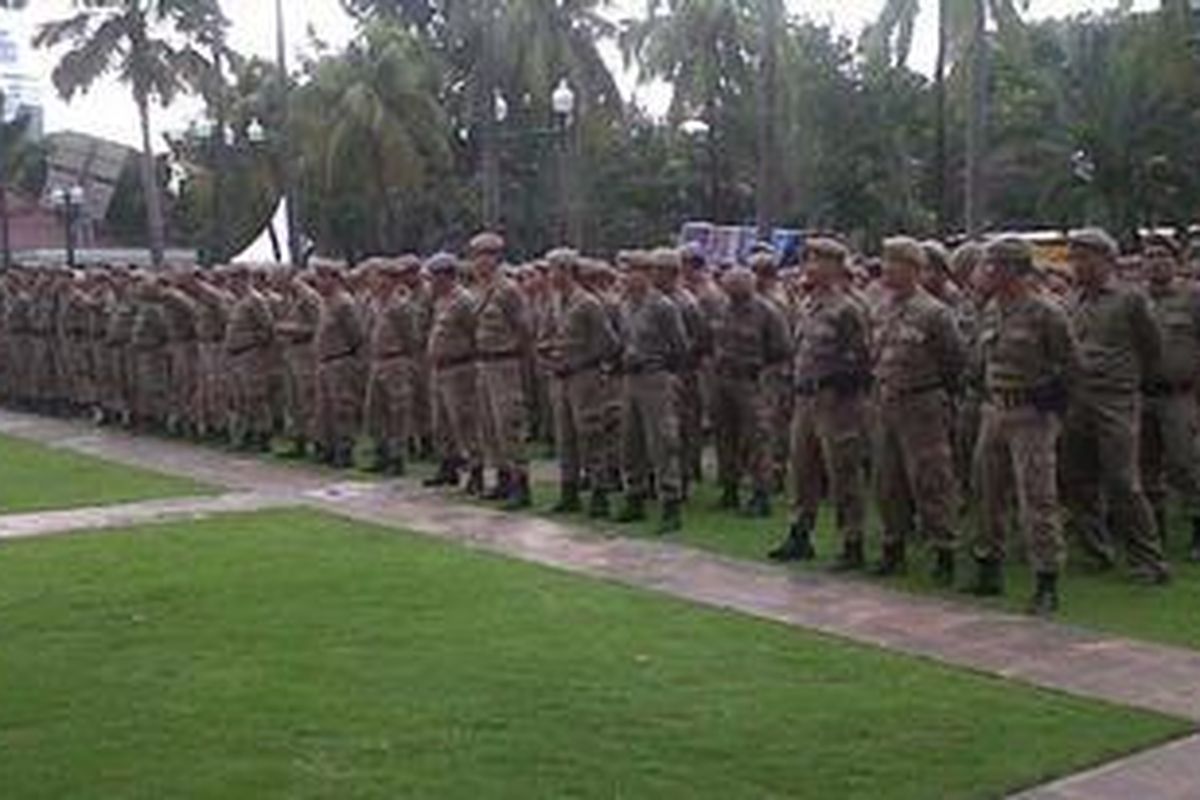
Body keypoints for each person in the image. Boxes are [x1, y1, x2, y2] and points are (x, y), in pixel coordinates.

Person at [967, 237, 1077, 614]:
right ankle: (988, 567)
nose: (985, 273)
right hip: (995, 409)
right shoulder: (992, 310)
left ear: (1013, 269)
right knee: (987, 492)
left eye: (992, 266)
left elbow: (1072, 366)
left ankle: (1046, 579)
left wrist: (1053, 403)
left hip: (1032, 415)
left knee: (1037, 498)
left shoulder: (1046, 313)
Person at [1061, 228, 1170, 584]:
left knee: (1123, 480)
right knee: (1075, 478)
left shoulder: (1130, 299)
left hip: (1116, 398)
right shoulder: (1072, 301)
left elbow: (1152, 347)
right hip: (1078, 398)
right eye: (1074, 257)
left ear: (1106, 259)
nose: (1077, 264)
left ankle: (1149, 560)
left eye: (1084, 257)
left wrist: (1131, 381)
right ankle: (1097, 551)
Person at [769, 239, 871, 566]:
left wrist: (840, 382)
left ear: (835, 266)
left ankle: (852, 540)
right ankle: (800, 533)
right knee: (801, 470)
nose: (809, 266)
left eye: (818, 260)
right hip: (805, 399)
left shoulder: (848, 309)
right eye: (808, 259)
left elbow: (864, 359)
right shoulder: (808, 304)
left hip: (837, 403)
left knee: (842, 473)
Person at [872, 237, 966, 582]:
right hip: (887, 401)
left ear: (912, 268)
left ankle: (944, 550)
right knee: (887, 480)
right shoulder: (881, 307)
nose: (885, 269)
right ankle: (893, 546)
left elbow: (955, 361)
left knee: (931, 479)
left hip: (923, 404)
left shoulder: (934, 313)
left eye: (893, 262)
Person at [616, 250, 689, 534]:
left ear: (645, 274)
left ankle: (670, 502)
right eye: (624, 272)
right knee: (630, 440)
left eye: (631, 272)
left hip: (655, 377)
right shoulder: (625, 305)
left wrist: (665, 371)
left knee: (662, 441)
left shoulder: (663, 306)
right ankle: (635, 496)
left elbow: (680, 346)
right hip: (630, 379)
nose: (625, 277)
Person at [545, 248, 622, 516]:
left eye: (555, 269)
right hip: (561, 376)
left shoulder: (588, 303)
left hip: (584, 377)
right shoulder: (555, 301)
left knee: (589, 434)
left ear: (568, 271)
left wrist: (584, 360)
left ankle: (599, 491)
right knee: (564, 436)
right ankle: (569, 491)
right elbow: (548, 334)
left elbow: (610, 343)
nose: (551, 275)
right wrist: (549, 351)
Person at [1138, 234, 1200, 563]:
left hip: (1180, 394)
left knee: (1184, 463)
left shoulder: (1192, 299)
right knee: (1146, 467)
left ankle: (1196, 530)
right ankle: (1155, 533)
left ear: (1175, 262)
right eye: (1149, 256)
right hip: (1141, 394)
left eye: (1163, 255)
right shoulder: (1134, 300)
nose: (1155, 261)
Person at [709, 266, 789, 518]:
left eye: (738, 291)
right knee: (725, 436)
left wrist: (760, 368)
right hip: (723, 379)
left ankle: (760, 493)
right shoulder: (722, 308)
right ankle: (730, 487)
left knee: (757, 439)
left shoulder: (767, 312)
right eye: (729, 290)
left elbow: (782, 348)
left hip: (753, 381)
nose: (733, 296)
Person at [469, 231, 534, 509]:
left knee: (508, 425)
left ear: (496, 258)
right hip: (484, 363)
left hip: (505, 363)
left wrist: (515, 355)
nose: (479, 262)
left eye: (485, 255)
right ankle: (503, 478)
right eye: (476, 256)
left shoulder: (508, 290)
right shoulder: (479, 289)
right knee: (489, 426)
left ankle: (521, 484)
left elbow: (524, 328)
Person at [424, 251, 484, 493]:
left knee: (464, 422)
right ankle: (448, 466)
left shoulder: (464, 301)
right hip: (440, 369)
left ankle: (476, 470)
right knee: (442, 423)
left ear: (447, 276)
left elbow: (474, 333)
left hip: (460, 369)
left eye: (434, 277)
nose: (431, 283)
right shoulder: (441, 301)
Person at [363, 258, 422, 475]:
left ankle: (397, 458)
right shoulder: (373, 303)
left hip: (396, 361)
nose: (373, 281)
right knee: (375, 412)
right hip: (377, 361)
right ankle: (382, 453)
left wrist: (405, 360)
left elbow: (410, 337)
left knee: (397, 412)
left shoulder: (401, 306)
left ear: (389, 279)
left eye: (377, 276)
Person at [312, 259, 367, 469]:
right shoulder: (325, 302)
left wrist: (351, 359)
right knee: (325, 409)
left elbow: (356, 334)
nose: (318, 282)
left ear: (334, 278)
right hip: (326, 362)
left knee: (342, 408)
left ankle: (345, 450)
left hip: (341, 361)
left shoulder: (344, 303)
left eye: (322, 277)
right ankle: (329, 447)